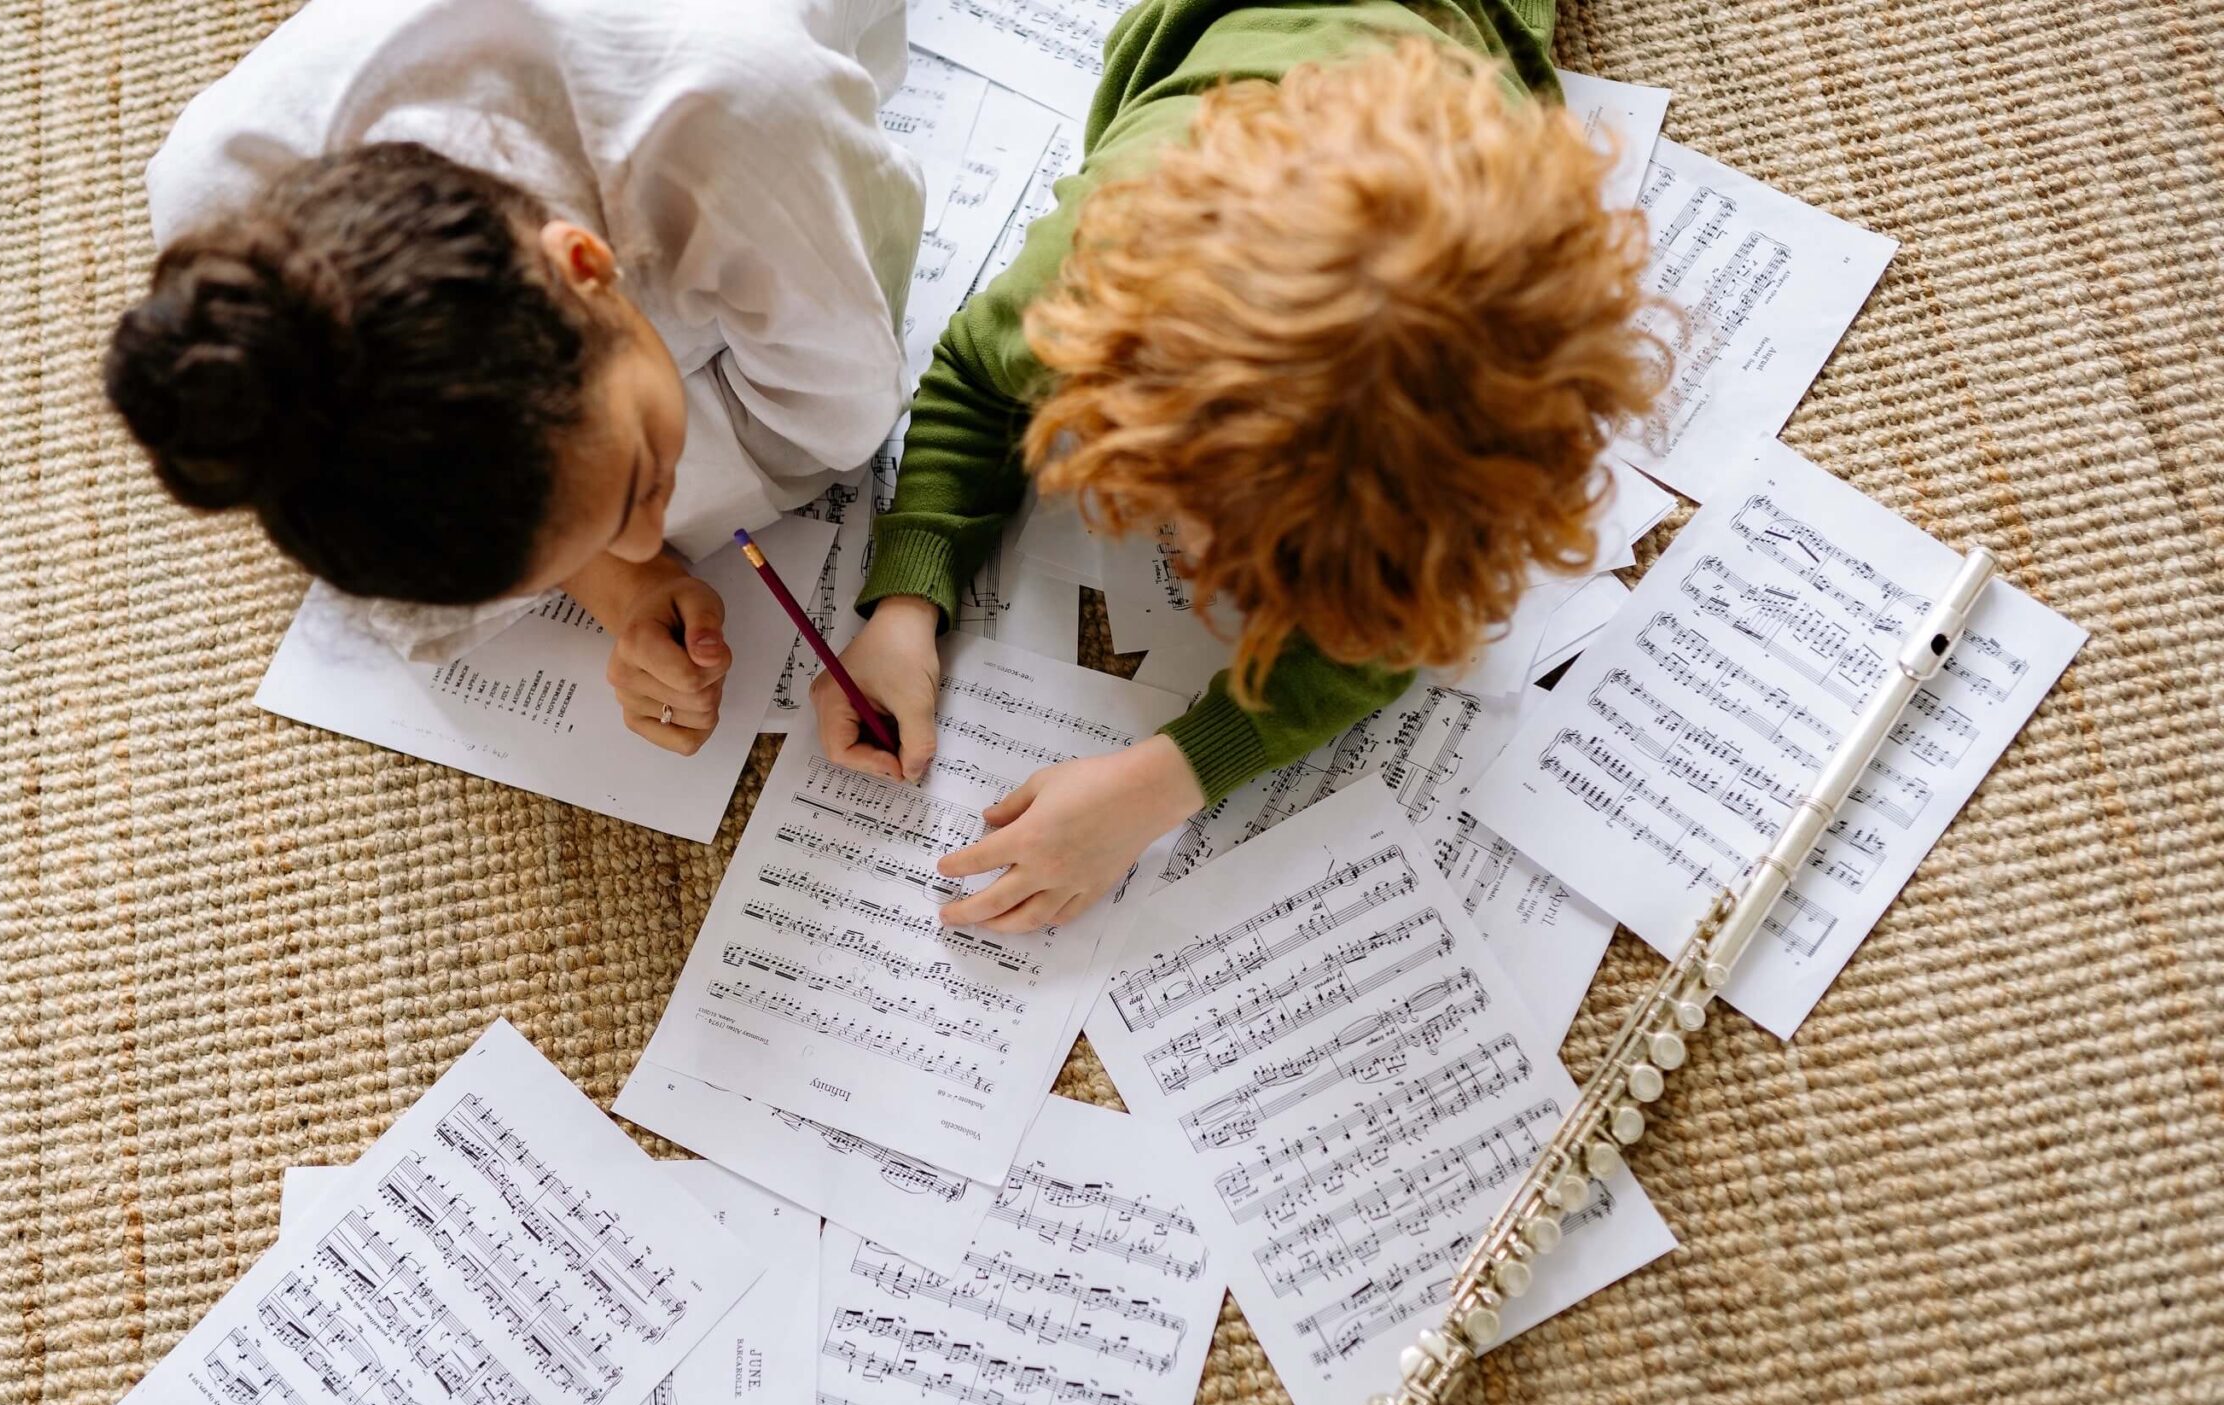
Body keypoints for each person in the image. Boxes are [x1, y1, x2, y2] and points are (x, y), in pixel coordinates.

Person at [814, 4, 1665, 931]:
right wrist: (906, 601)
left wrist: (1163, 781)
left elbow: (1396, 627)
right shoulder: (1104, 264)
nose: (1193, 558)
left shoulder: (1493, 392)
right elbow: (978, 373)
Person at [104, 0, 921, 754]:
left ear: (586, 265)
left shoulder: (734, 126)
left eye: (641, 484)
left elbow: (834, 418)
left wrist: (609, 561)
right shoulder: (224, 219)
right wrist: (611, 577)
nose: (650, 536)